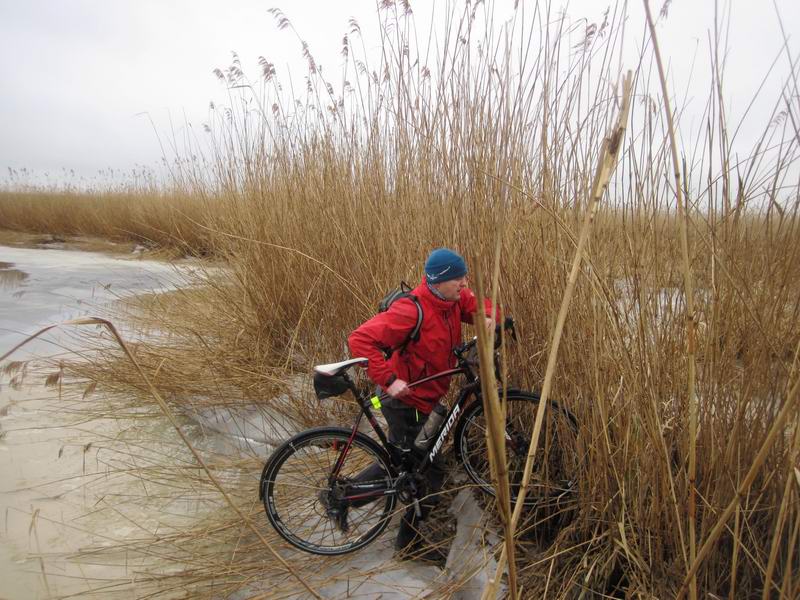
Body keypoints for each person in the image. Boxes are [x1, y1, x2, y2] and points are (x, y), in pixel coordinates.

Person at [347, 248, 498, 564]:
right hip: (404, 400)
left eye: (464, 275)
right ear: (439, 280)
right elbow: (360, 339)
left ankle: (357, 495)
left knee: (404, 461)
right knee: (423, 472)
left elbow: (476, 302)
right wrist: (389, 380)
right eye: (458, 277)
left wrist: (491, 317)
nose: (464, 282)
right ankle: (404, 543)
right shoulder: (411, 311)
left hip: (424, 398)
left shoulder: (450, 302)